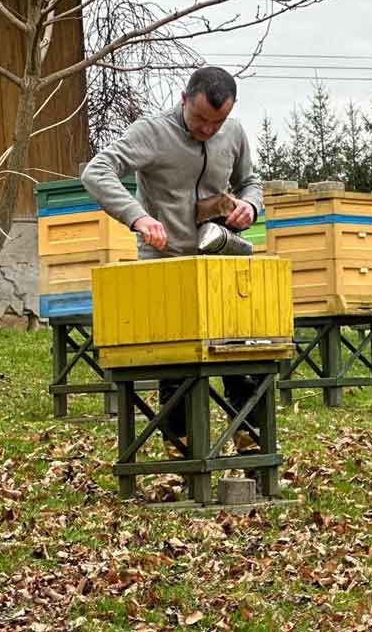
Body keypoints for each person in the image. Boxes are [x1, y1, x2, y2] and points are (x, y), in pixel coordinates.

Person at [83, 66, 264, 456]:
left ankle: (251, 442)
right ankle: (180, 452)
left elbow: (251, 180)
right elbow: (96, 171)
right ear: (184, 99)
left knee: (239, 351)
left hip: (219, 257)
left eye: (217, 122)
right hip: (166, 262)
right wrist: (138, 216)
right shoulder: (151, 132)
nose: (207, 130)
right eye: (200, 118)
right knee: (177, 363)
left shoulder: (233, 133)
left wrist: (250, 205)